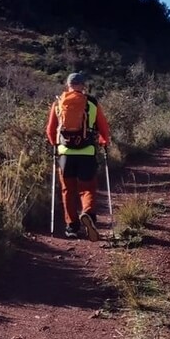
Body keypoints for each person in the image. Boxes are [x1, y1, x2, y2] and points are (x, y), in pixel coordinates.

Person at [44, 72, 111, 240]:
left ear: (68, 85)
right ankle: (87, 214)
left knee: (68, 190)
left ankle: (71, 227)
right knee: (87, 188)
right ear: (83, 85)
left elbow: (50, 130)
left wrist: (55, 144)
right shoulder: (92, 103)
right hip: (87, 152)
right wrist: (104, 142)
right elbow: (103, 126)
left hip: (65, 154)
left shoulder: (58, 103)